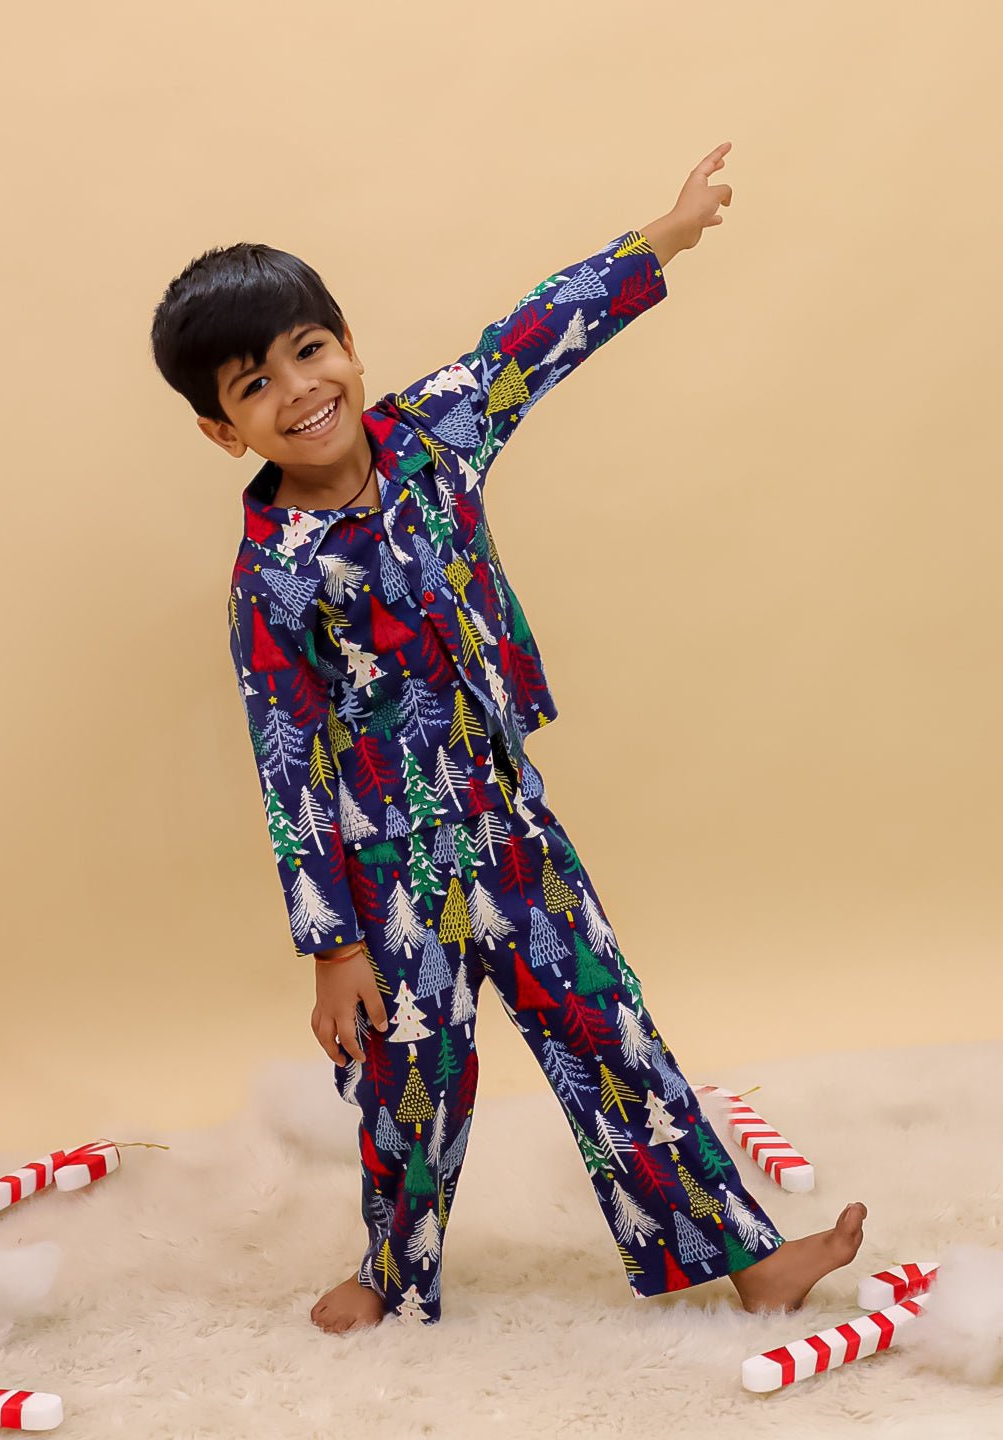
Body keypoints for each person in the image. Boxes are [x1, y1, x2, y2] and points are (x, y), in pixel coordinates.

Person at [150, 141, 867, 1333]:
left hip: (507, 820)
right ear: (228, 431)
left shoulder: (433, 435)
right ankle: (392, 1270)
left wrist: (663, 237)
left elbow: (530, 341)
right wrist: (330, 948)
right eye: (253, 385)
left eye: (309, 350)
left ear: (344, 342)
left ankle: (745, 1257)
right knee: (413, 1085)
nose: (298, 390)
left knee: (612, 1033)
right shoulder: (269, 582)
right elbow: (288, 765)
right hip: (390, 873)